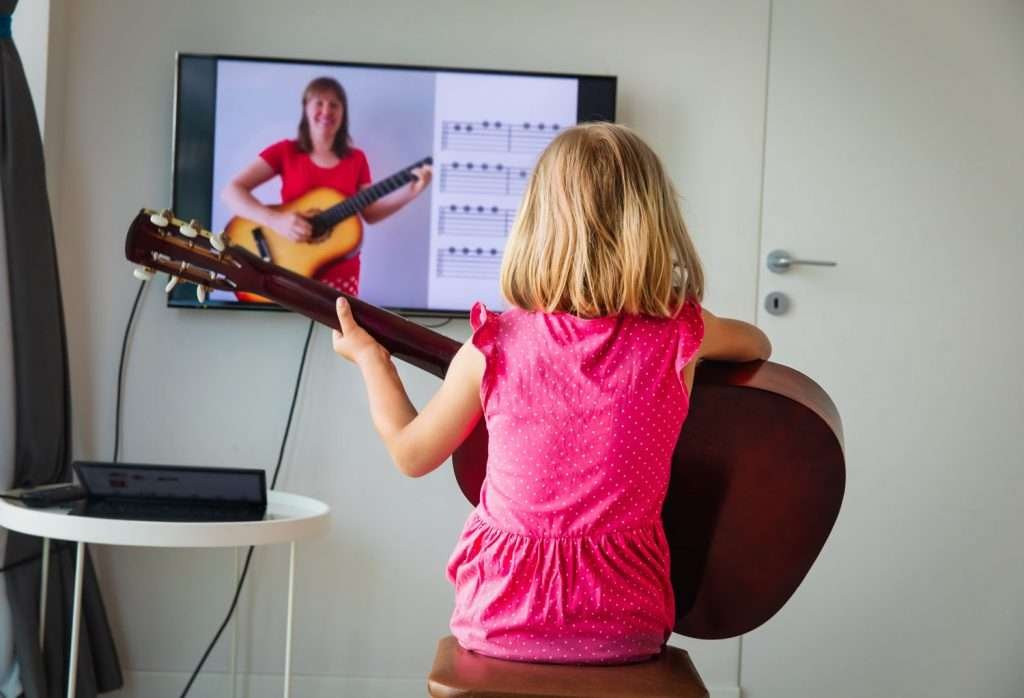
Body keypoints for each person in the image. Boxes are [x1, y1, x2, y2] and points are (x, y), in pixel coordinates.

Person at [330, 123, 772, 664]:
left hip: (498, 619)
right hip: (626, 628)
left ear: (536, 225)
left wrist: (372, 358)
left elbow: (410, 453)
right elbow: (758, 344)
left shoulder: (494, 343)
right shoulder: (683, 335)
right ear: (655, 224)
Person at [222, 76, 432, 295]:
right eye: (319, 102)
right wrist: (275, 221)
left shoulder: (356, 159)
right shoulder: (285, 151)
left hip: (342, 277)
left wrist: (411, 192)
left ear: (343, 113)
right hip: (290, 271)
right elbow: (231, 192)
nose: (327, 110)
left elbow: (370, 213)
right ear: (306, 108)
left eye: (334, 104)